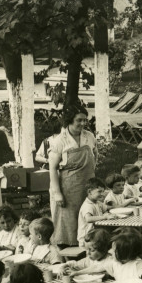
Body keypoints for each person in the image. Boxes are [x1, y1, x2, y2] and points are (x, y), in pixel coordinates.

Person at [49, 105, 97, 246]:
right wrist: (57, 193)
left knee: (87, 215)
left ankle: (89, 247)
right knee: (69, 220)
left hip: (87, 184)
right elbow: (52, 168)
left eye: (85, 120)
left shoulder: (89, 136)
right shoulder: (59, 141)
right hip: (68, 187)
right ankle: (68, 247)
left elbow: (94, 156)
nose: (83, 124)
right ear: (70, 120)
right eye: (79, 120)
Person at [77, 178, 111, 247]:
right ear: (90, 192)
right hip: (87, 239)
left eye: (103, 191)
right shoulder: (87, 205)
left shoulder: (97, 202)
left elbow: (107, 208)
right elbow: (88, 219)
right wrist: (105, 217)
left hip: (95, 236)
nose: (102, 194)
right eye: (99, 191)